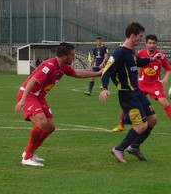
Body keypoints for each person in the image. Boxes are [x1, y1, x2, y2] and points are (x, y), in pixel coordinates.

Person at [15, 42, 103, 167]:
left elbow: (77, 73)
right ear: (64, 56)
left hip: (39, 97)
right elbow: (32, 81)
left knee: (50, 127)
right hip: (29, 95)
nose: (74, 57)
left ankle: (29, 153)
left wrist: (98, 74)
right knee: (42, 122)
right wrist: (23, 100)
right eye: (72, 55)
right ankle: (27, 156)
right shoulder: (50, 65)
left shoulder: (63, 67)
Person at [99, 22, 162, 163]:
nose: (141, 39)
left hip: (137, 91)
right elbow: (106, 71)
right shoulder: (119, 52)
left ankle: (134, 147)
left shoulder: (130, 51)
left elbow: (137, 62)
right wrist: (104, 88)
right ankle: (118, 149)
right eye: (140, 36)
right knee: (141, 125)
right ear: (132, 36)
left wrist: (151, 59)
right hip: (127, 94)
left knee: (153, 120)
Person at [112, 34, 171, 132]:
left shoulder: (161, 56)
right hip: (142, 84)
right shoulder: (139, 53)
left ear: (157, 44)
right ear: (146, 44)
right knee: (130, 102)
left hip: (155, 84)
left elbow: (168, 68)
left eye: (154, 43)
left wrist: (165, 78)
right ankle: (121, 124)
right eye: (149, 43)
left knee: (164, 103)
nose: (152, 45)